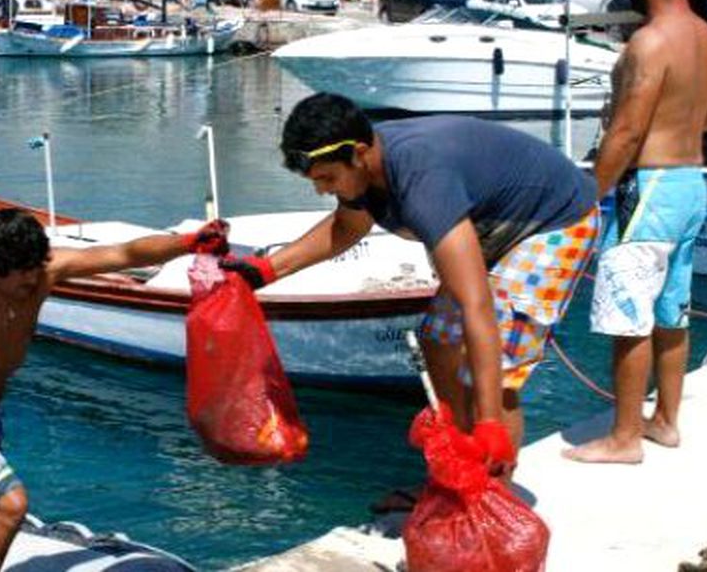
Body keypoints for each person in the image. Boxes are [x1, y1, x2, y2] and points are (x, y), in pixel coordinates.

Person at [224, 93, 600, 479]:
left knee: (494, 373)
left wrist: (488, 423)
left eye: (327, 178)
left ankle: (490, 496)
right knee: (437, 341)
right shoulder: (365, 170)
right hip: (492, 225)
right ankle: (458, 472)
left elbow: (476, 306)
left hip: (554, 223)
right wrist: (265, 272)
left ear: (358, 154)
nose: (321, 190)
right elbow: (347, 228)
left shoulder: (421, 180)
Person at [0, 209, 227, 572]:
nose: (34, 278)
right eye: (23, 271)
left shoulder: (40, 273)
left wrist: (189, 242)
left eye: (37, 266)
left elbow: (124, 254)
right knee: (9, 506)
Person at [563, 0, 707, 464]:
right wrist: (681, 124)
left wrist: (587, 196)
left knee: (628, 314)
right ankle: (664, 422)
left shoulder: (649, 42)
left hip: (651, 185)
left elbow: (626, 132)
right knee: (672, 311)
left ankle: (623, 439)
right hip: (690, 183)